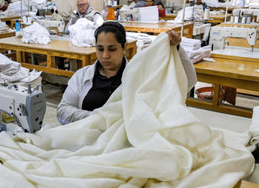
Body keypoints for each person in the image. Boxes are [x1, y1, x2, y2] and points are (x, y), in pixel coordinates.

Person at [57, 22, 196, 124]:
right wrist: (99, 119)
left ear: (124, 47)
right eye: (100, 49)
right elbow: (63, 110)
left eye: (112, 49)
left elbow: (186, 82)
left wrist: (175, 48)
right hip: (88, 138)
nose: (105, 55)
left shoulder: (139, 75)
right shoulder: (83, 76)